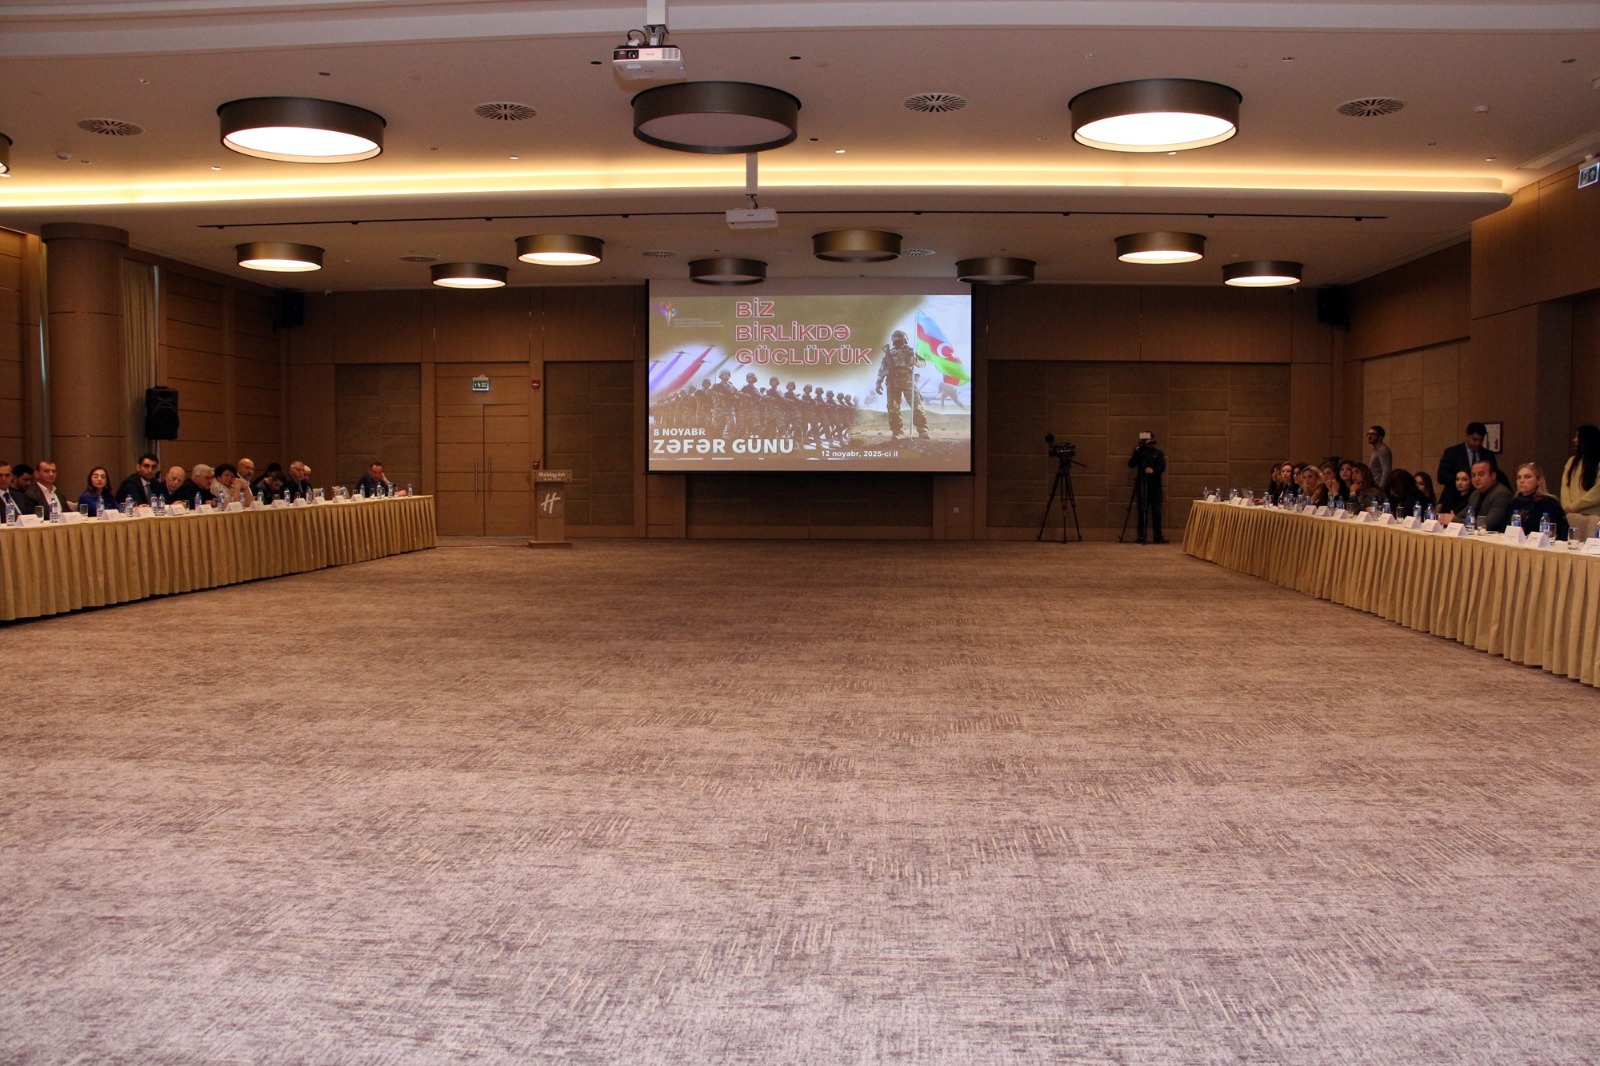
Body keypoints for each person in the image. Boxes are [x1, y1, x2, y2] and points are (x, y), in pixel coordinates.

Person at [874, 329, 928, 441]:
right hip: (892, 381)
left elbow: (923, 363)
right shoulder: (889, 353)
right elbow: (883, 369)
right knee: (893, 407)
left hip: (907, 379)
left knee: (916, 404)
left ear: (905, 340)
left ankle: (922, 430)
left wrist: (916, 361)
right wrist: (878, 383)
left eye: (900, 340)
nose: (898, 342)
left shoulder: (911, 351)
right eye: (896, 340)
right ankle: (897, 432)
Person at [1508, 462, 1569, 539]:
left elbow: (1556, 533)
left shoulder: (1548, 503)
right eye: (1519, 477)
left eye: (1527, 477)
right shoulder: (1513, 502)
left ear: (1539, 481)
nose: (1521, 481)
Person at [1127, 434, 1166, 544]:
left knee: (1156, 512)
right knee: (1142, 511)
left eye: (1148, 439)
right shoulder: (1140, 453)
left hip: (1155, 486)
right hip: (1142, 485)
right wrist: (1136, 453)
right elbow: (1131, 464)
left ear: (1152, 439)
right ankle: (1141, 536)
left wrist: (1153, 470)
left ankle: (1158, 537)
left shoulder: (1158, 453)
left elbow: (1162, 467)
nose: (1146, 441)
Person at [1437, 421, 1499, 489]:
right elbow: (1441, 477)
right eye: (1474, 439)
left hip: (1481, 493)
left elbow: (1494, 476)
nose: (1478, 443)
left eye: (1481, 440)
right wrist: (1463, 479)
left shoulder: (1488, 455)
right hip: (1456, 493)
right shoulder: (1452, 452)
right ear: (1467, 436)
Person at [1559, 424, 1600, 516]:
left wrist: (1573, 507)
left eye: (1578, 436)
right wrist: (1567, 507)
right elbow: (1565, 486)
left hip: (1594, 515)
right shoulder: (1572, 461)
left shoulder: (1597, 463)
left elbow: (1597, 492)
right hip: (1570, 514)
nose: (1575, 440)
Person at [1462, 459, 1512, 532]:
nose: (1476, 479)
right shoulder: (1475, 494)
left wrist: (1453, 520)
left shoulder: (1502, 494)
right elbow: (1462, 515)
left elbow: (1486, 524)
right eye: (1473, 475)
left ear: (1493, 476)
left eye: (1481, 474)